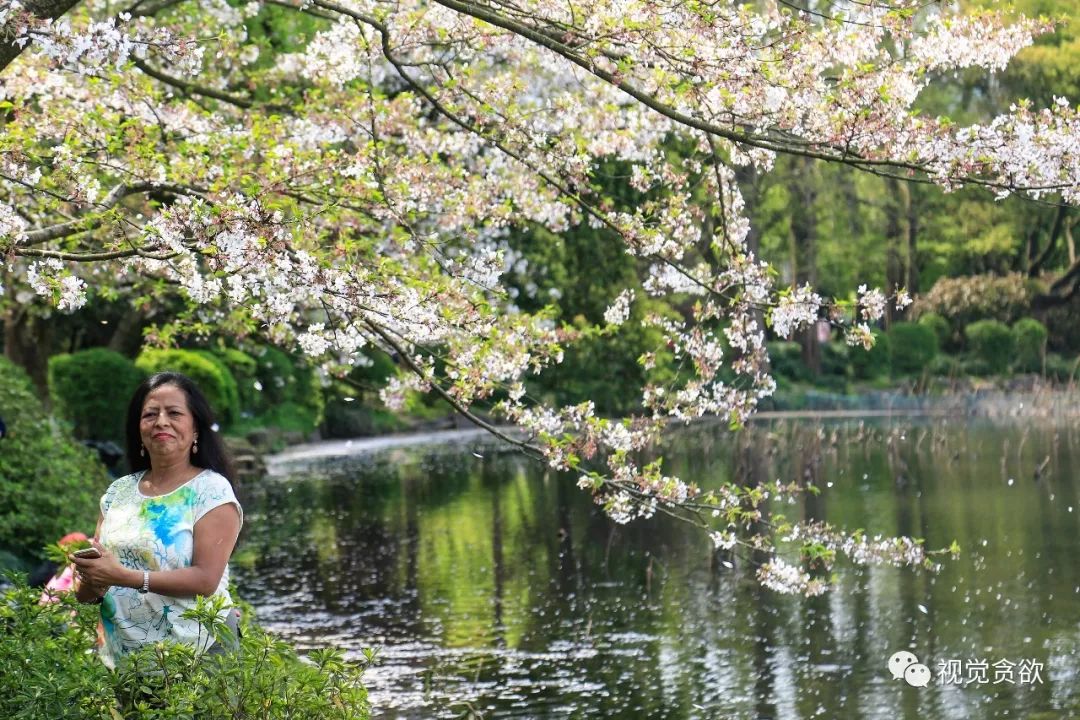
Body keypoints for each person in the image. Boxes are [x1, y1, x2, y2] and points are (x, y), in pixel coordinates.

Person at [71, 371, 243, 668]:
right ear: (139, 429)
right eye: (150, 414)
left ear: (196, 429)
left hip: (199, 652)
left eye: (174, 413)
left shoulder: (210, 490)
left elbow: (205, 579)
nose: (161, 421)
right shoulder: (118, 492)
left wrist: (124, 577)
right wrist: (91, 579)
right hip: (127, 658)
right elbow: (91, 587)